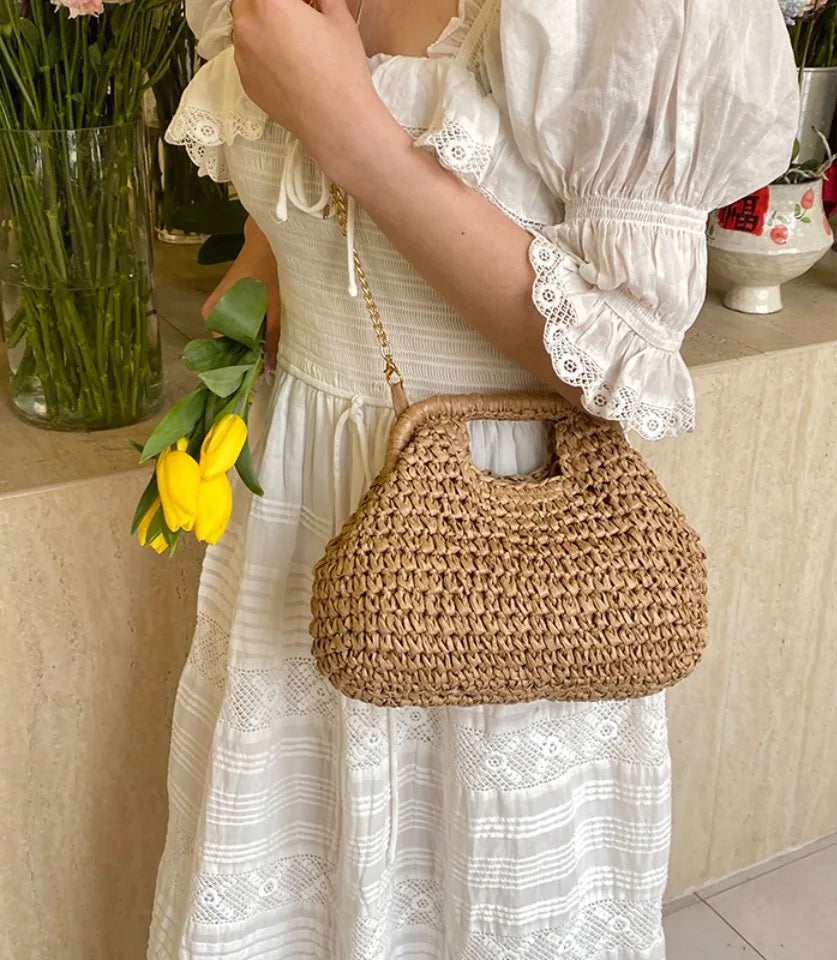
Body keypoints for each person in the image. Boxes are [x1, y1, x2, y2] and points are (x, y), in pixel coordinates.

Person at [150, 1, 798, 957]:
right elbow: (284, 233)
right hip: (299, 532)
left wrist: (349, 128)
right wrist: (262, 290)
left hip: (503, 557)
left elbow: (625, 353)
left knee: (484, 901)